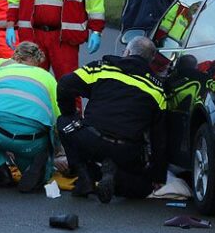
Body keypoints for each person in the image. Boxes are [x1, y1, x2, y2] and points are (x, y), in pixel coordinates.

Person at [56, 36, 167, 203]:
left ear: (127, 52)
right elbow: (160, 138)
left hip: (91, 140)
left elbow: (65, 84)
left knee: (64, 121)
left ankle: (83, 172)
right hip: (127, 150)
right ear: (150, 61)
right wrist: (158, 175)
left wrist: (72, 113)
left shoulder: (102, 69)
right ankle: (114, 178)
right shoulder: (157, 89)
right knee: (143, 187)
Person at [0, 41, 59, 193]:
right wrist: (57, 149)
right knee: (30, 146)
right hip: (33, 138)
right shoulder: (46, 77)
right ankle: (36, 165)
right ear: (37, 62)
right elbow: (57, 116)